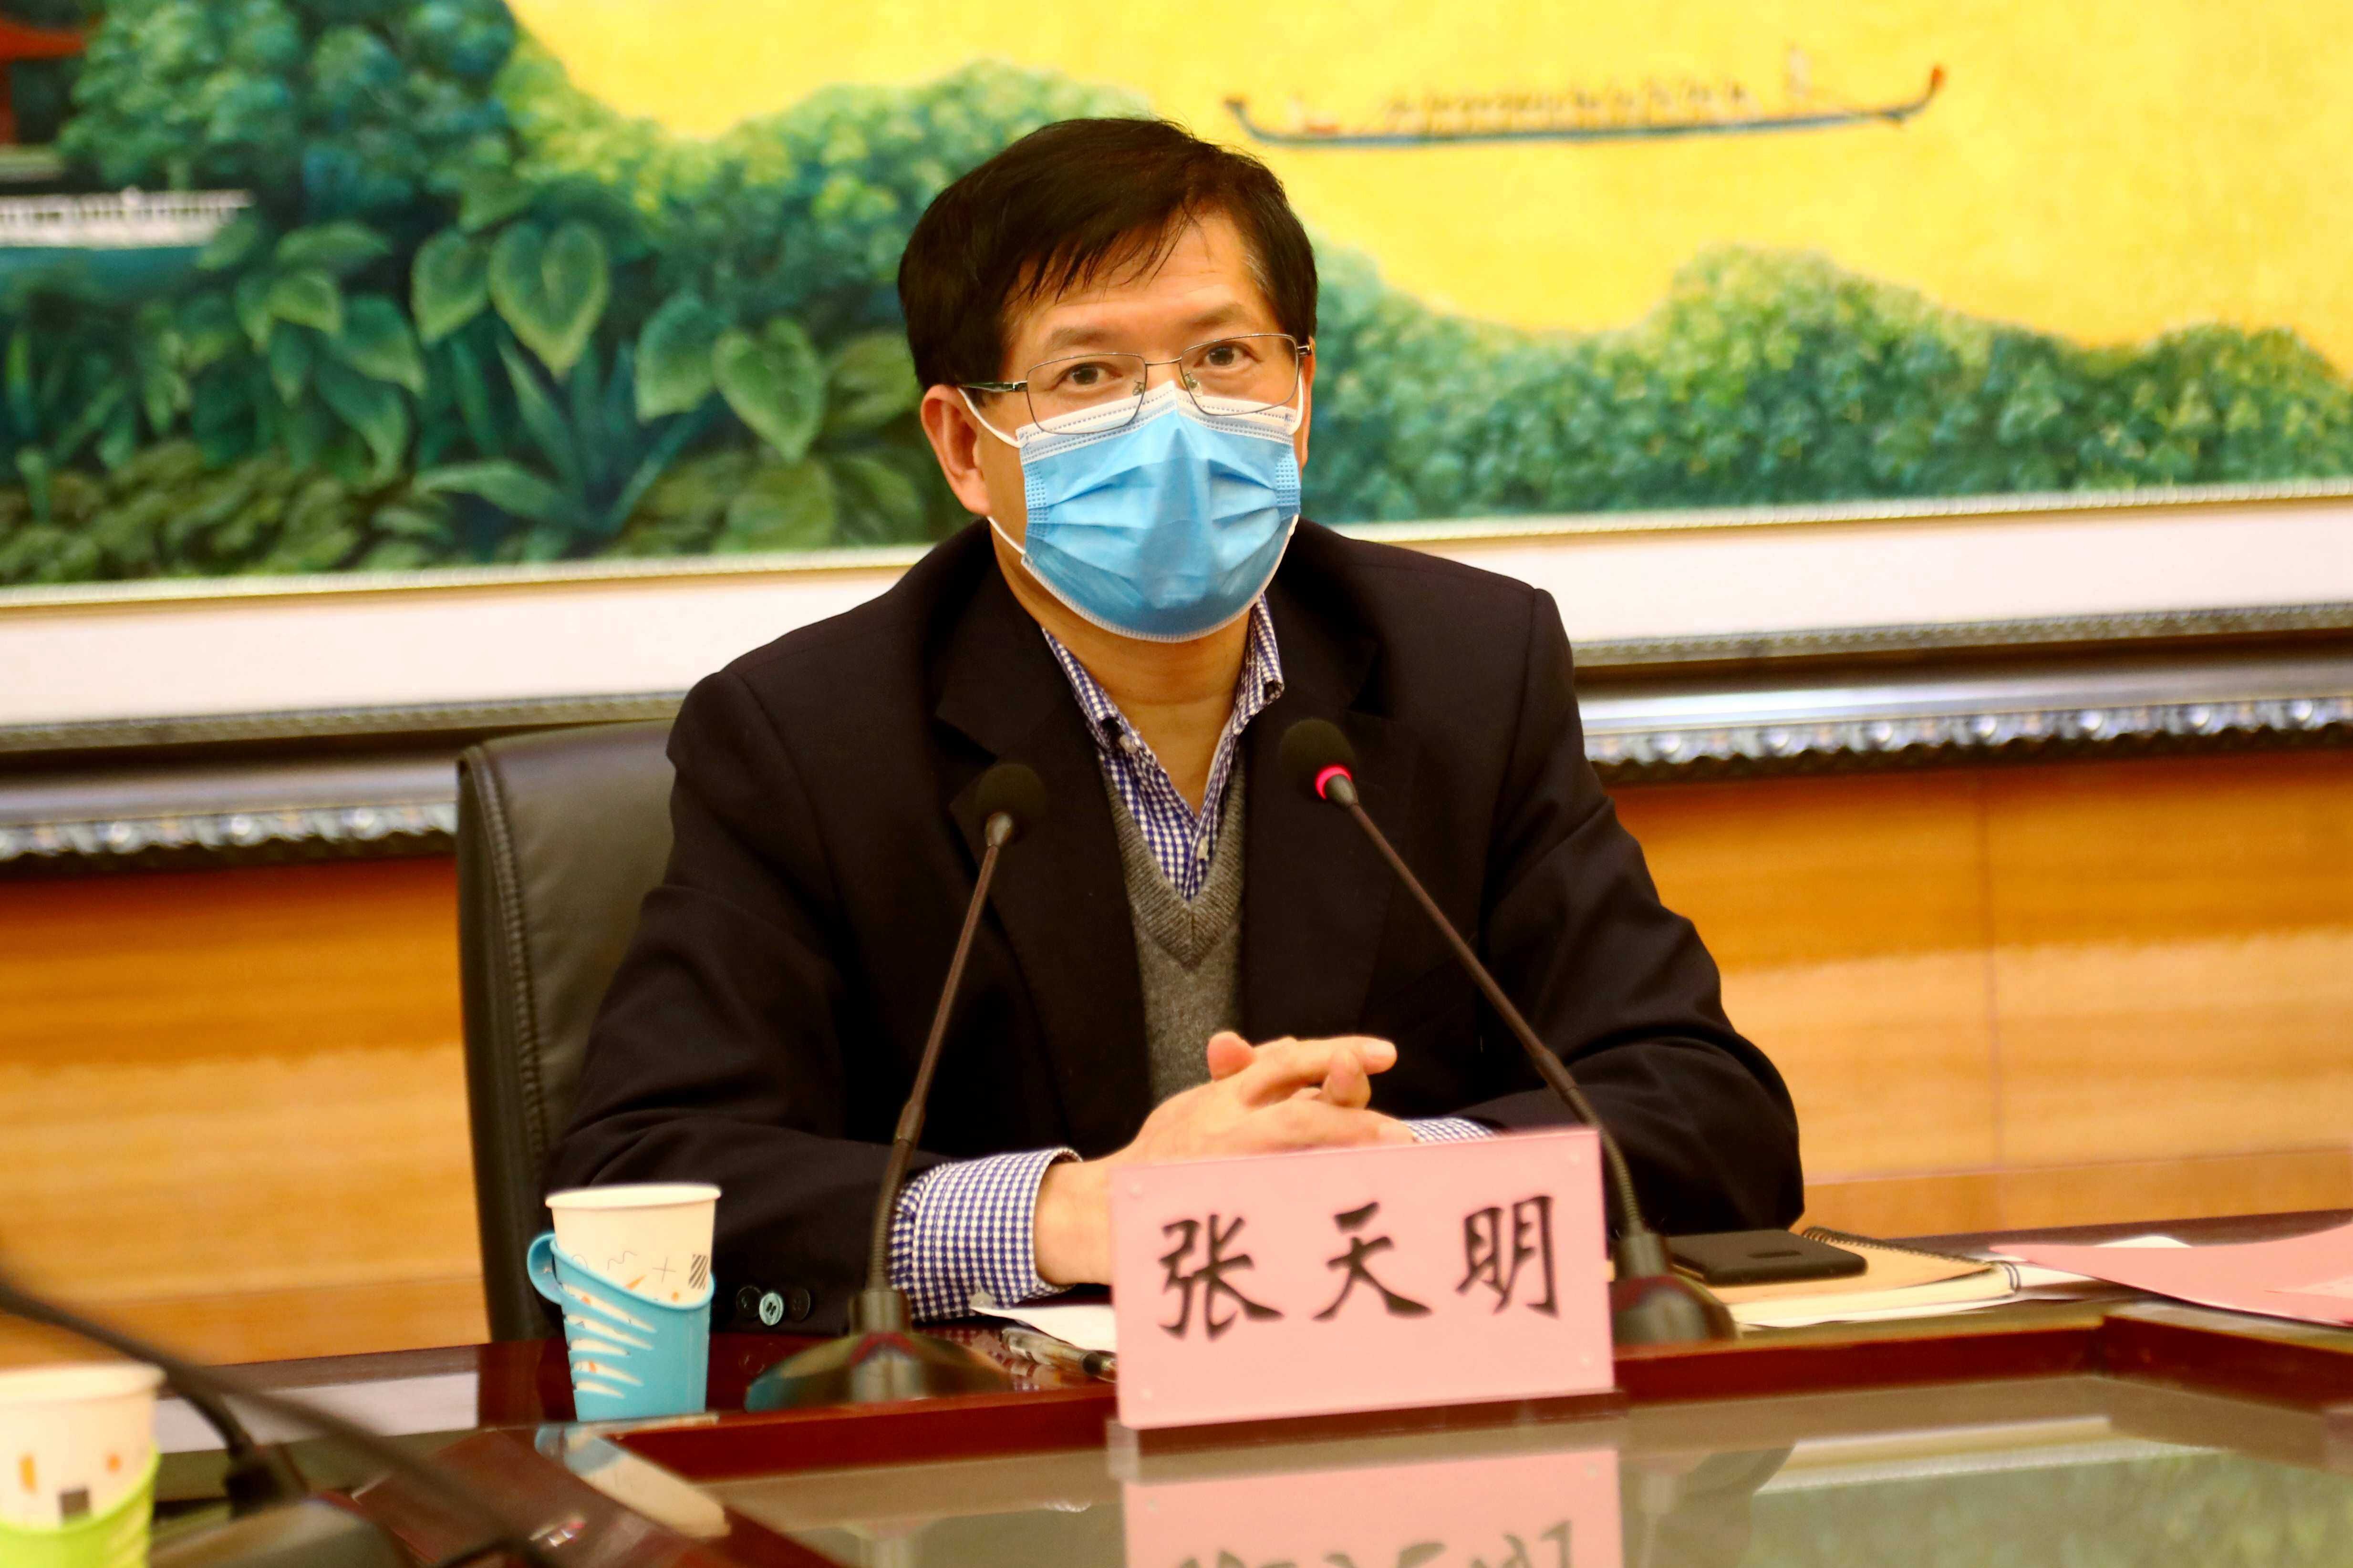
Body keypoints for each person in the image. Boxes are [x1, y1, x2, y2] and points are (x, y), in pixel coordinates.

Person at [545, 117, 1802, 1332]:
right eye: (1089, 375)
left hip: (1396, 1413)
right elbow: (641, 1175)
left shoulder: (1466, 669)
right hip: (1008, 1454)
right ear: (965, 446)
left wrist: (1396, 1175)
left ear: (1300, 393)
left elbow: (1711, 1114)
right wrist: (1071, 1215)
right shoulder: (808, 737)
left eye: (1224, 357)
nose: (1175, 421)